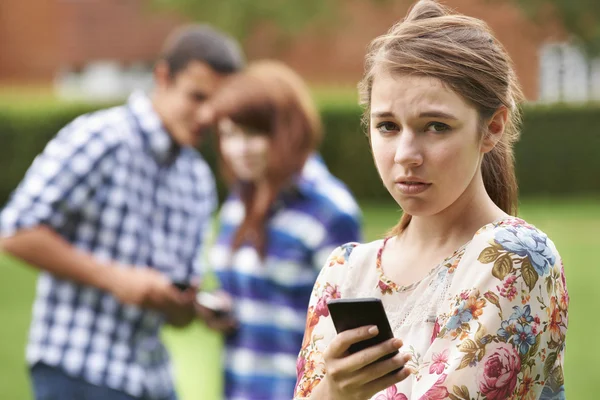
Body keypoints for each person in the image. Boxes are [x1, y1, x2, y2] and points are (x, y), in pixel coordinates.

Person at [293, 1, 569, 399]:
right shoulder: (344, 273)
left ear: (492, 128)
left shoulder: (513, 257)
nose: (406, 153)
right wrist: (335, 391)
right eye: (387, 126)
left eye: (435, 126)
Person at [0, 25, 243, 400]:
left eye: (218, 103)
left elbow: (176, 315)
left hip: (153, 381)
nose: (207, 115)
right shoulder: (101, 138)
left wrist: (187, 305)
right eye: (197, 97)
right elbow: (16, 232)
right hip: (77, 368)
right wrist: (114, 278)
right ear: (162, 78)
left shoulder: (197, 178)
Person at [204, 61, 363, 400]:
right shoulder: (240, 199)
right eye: (230, 135)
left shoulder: (329, 210)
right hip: (240, 388)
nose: (239, 149)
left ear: (288, 130)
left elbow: (350, 328)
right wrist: (222, 307)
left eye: (253, 134)